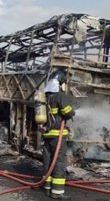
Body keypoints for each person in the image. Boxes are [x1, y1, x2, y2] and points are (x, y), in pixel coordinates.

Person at [42, 69, 75, 200]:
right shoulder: (60, 96)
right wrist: (73, 111)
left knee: (48, 160)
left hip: (47, 134)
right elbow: (68, 112)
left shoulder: (46, 96)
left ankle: (47, 188)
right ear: (60, 83)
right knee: (59, 161)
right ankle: (57, 192)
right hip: (58, 135)